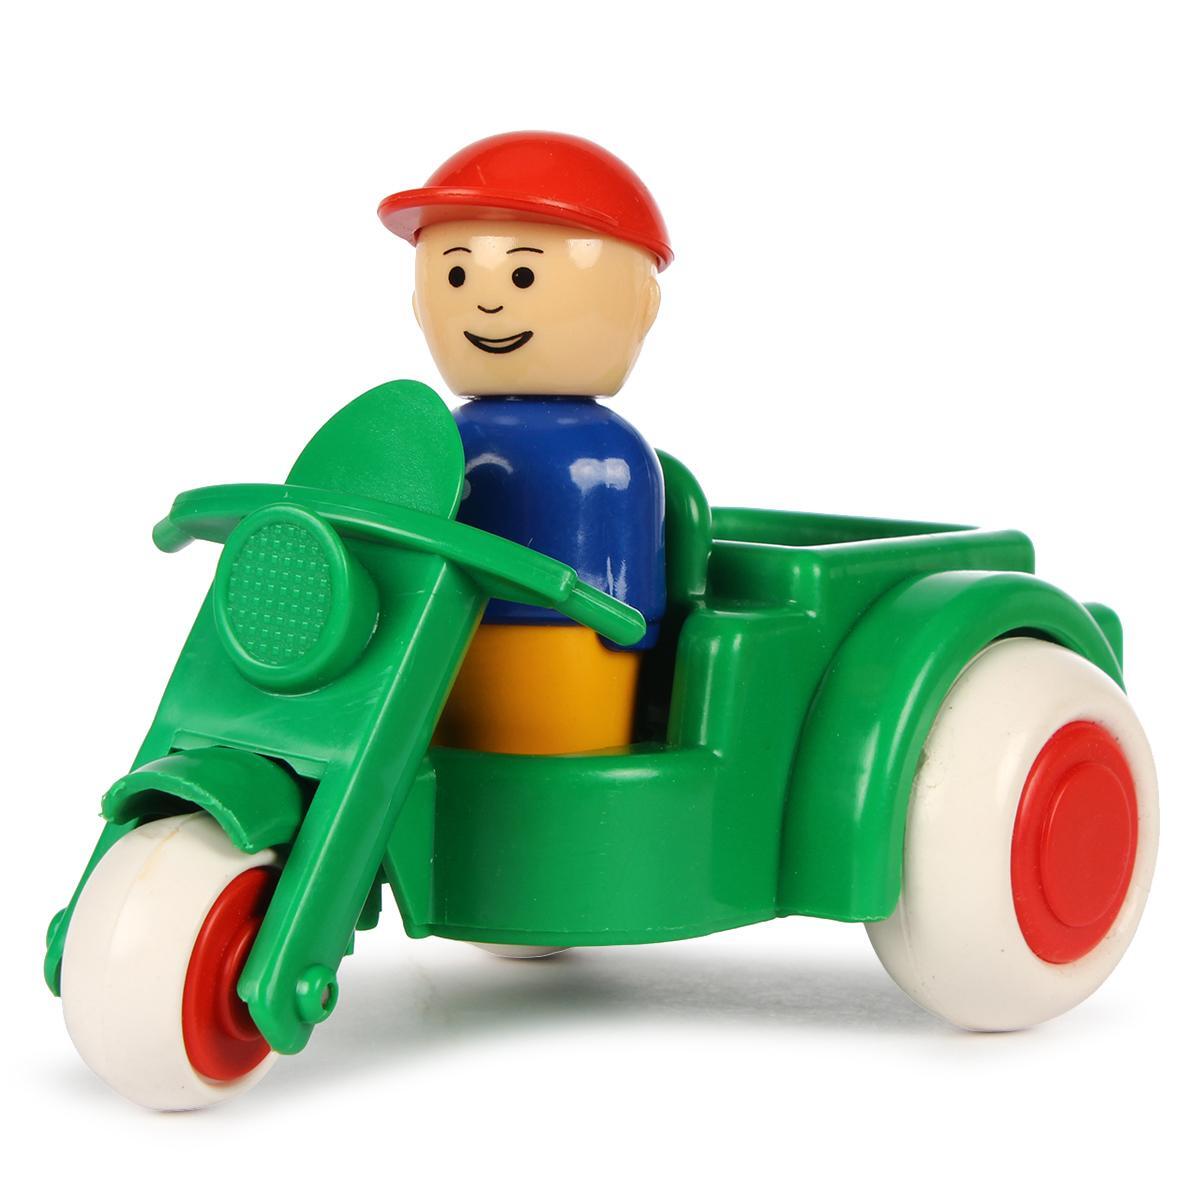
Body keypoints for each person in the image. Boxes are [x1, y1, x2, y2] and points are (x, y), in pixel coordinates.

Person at [378, 131, 671, 754]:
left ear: (642, 305)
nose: (487, 303)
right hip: (434, 628)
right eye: (457, 274)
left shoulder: (606, 455)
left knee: (545, 749)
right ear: (418, 301)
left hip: (565, 641)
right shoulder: (437, 436)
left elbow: (632, 598)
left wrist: (632, 624)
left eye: (522, 275)